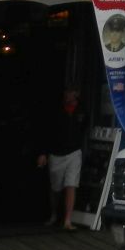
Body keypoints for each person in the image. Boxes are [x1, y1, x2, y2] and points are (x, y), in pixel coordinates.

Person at [37, 90, 86, 229]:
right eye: (66, 93)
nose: (67, 96)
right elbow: (46, 132)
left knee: (71, 184)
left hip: (74, 152)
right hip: (56, 153)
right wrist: (43, 153)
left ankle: (67, 220)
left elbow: (84, 127)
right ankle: (54, 214)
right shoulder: (56, 110)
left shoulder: (82, 111)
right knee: (56, 188)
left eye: (70, 93)